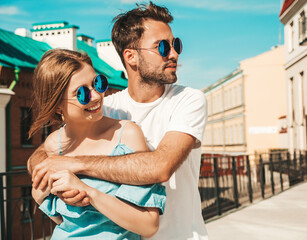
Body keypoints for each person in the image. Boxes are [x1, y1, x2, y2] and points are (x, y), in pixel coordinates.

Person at [29, 1, 208, 239]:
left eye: (175, 44)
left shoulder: (188, 100)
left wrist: (75, 165)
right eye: (162, 47)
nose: (174, 53)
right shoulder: (104, 108)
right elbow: (42, 155)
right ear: (131, 56)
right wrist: (51, 178)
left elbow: (159, 167)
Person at [29, 48, 166, 239]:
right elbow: (65, 221)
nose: (96, 96)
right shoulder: (54, 144)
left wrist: (89, 193)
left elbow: (148, 225)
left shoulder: (126, 134)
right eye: (82, 93)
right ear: (58, 104)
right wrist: (39, 195)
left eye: (97, 83)